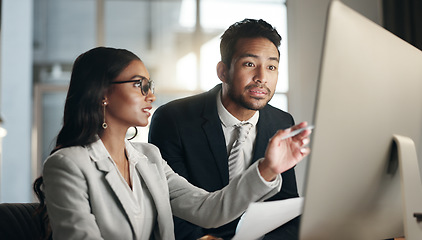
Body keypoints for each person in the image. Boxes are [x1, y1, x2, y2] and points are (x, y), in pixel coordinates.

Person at [33, 46, 311, 240]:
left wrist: (268, 168)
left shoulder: (148, 157)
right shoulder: (67, 165)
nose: (150, 96)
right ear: (103, 93)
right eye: (138, 85)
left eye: (150, 86)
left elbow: (208, 209)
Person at [149, 19, 302, 239]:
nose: (261, 77)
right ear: (223, 71)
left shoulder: (281, 122)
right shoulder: (173, 119)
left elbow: (286, 207)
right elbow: (168, 203)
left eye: (271, 67)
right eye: (249, 64)